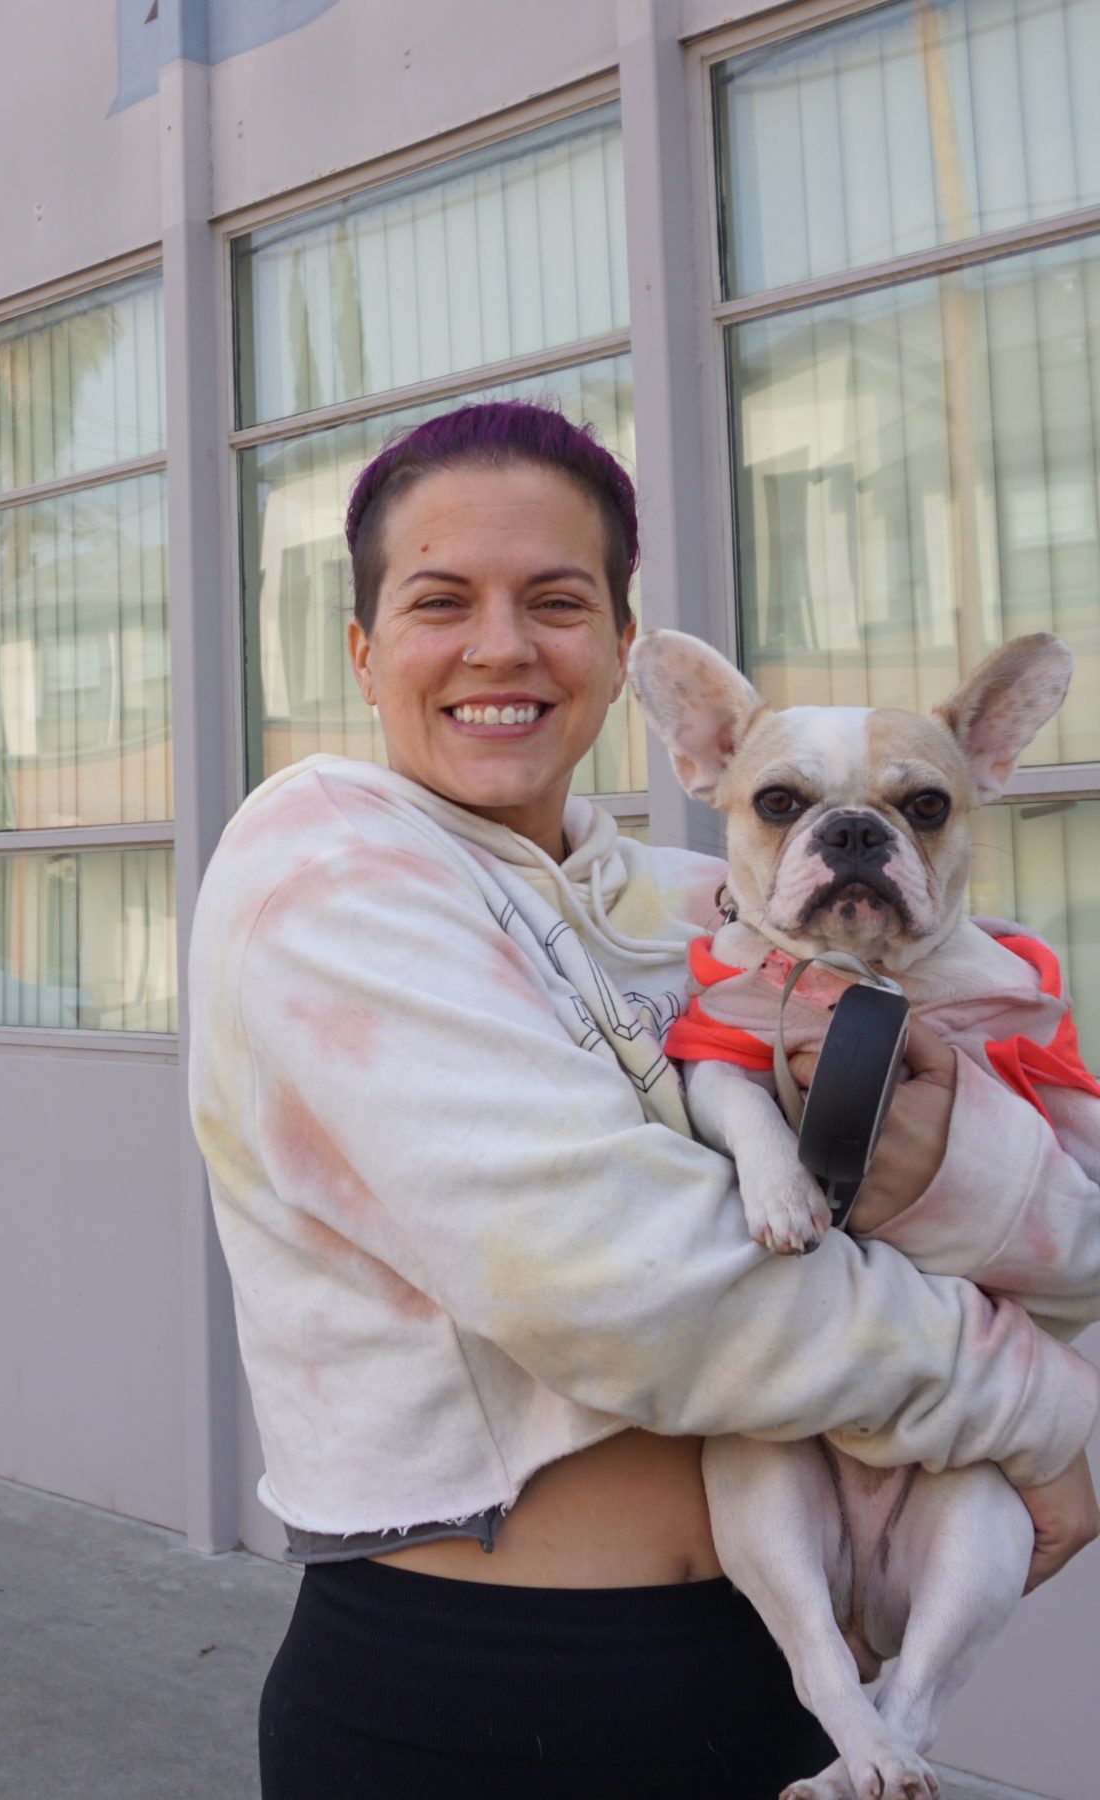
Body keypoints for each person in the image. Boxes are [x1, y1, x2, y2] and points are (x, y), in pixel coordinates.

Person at [188, 401, 1100, 1799]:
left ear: (622, 656)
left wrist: (963, 1164)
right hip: (476, 1681)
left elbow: (1079, 1238)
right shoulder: (325, 870)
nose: (501, 645)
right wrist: (1036, 1411)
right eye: (442, 601)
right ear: (365, 653)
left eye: (556, 601)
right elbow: (617, 1282)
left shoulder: (717, 917)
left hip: (781, 1670)